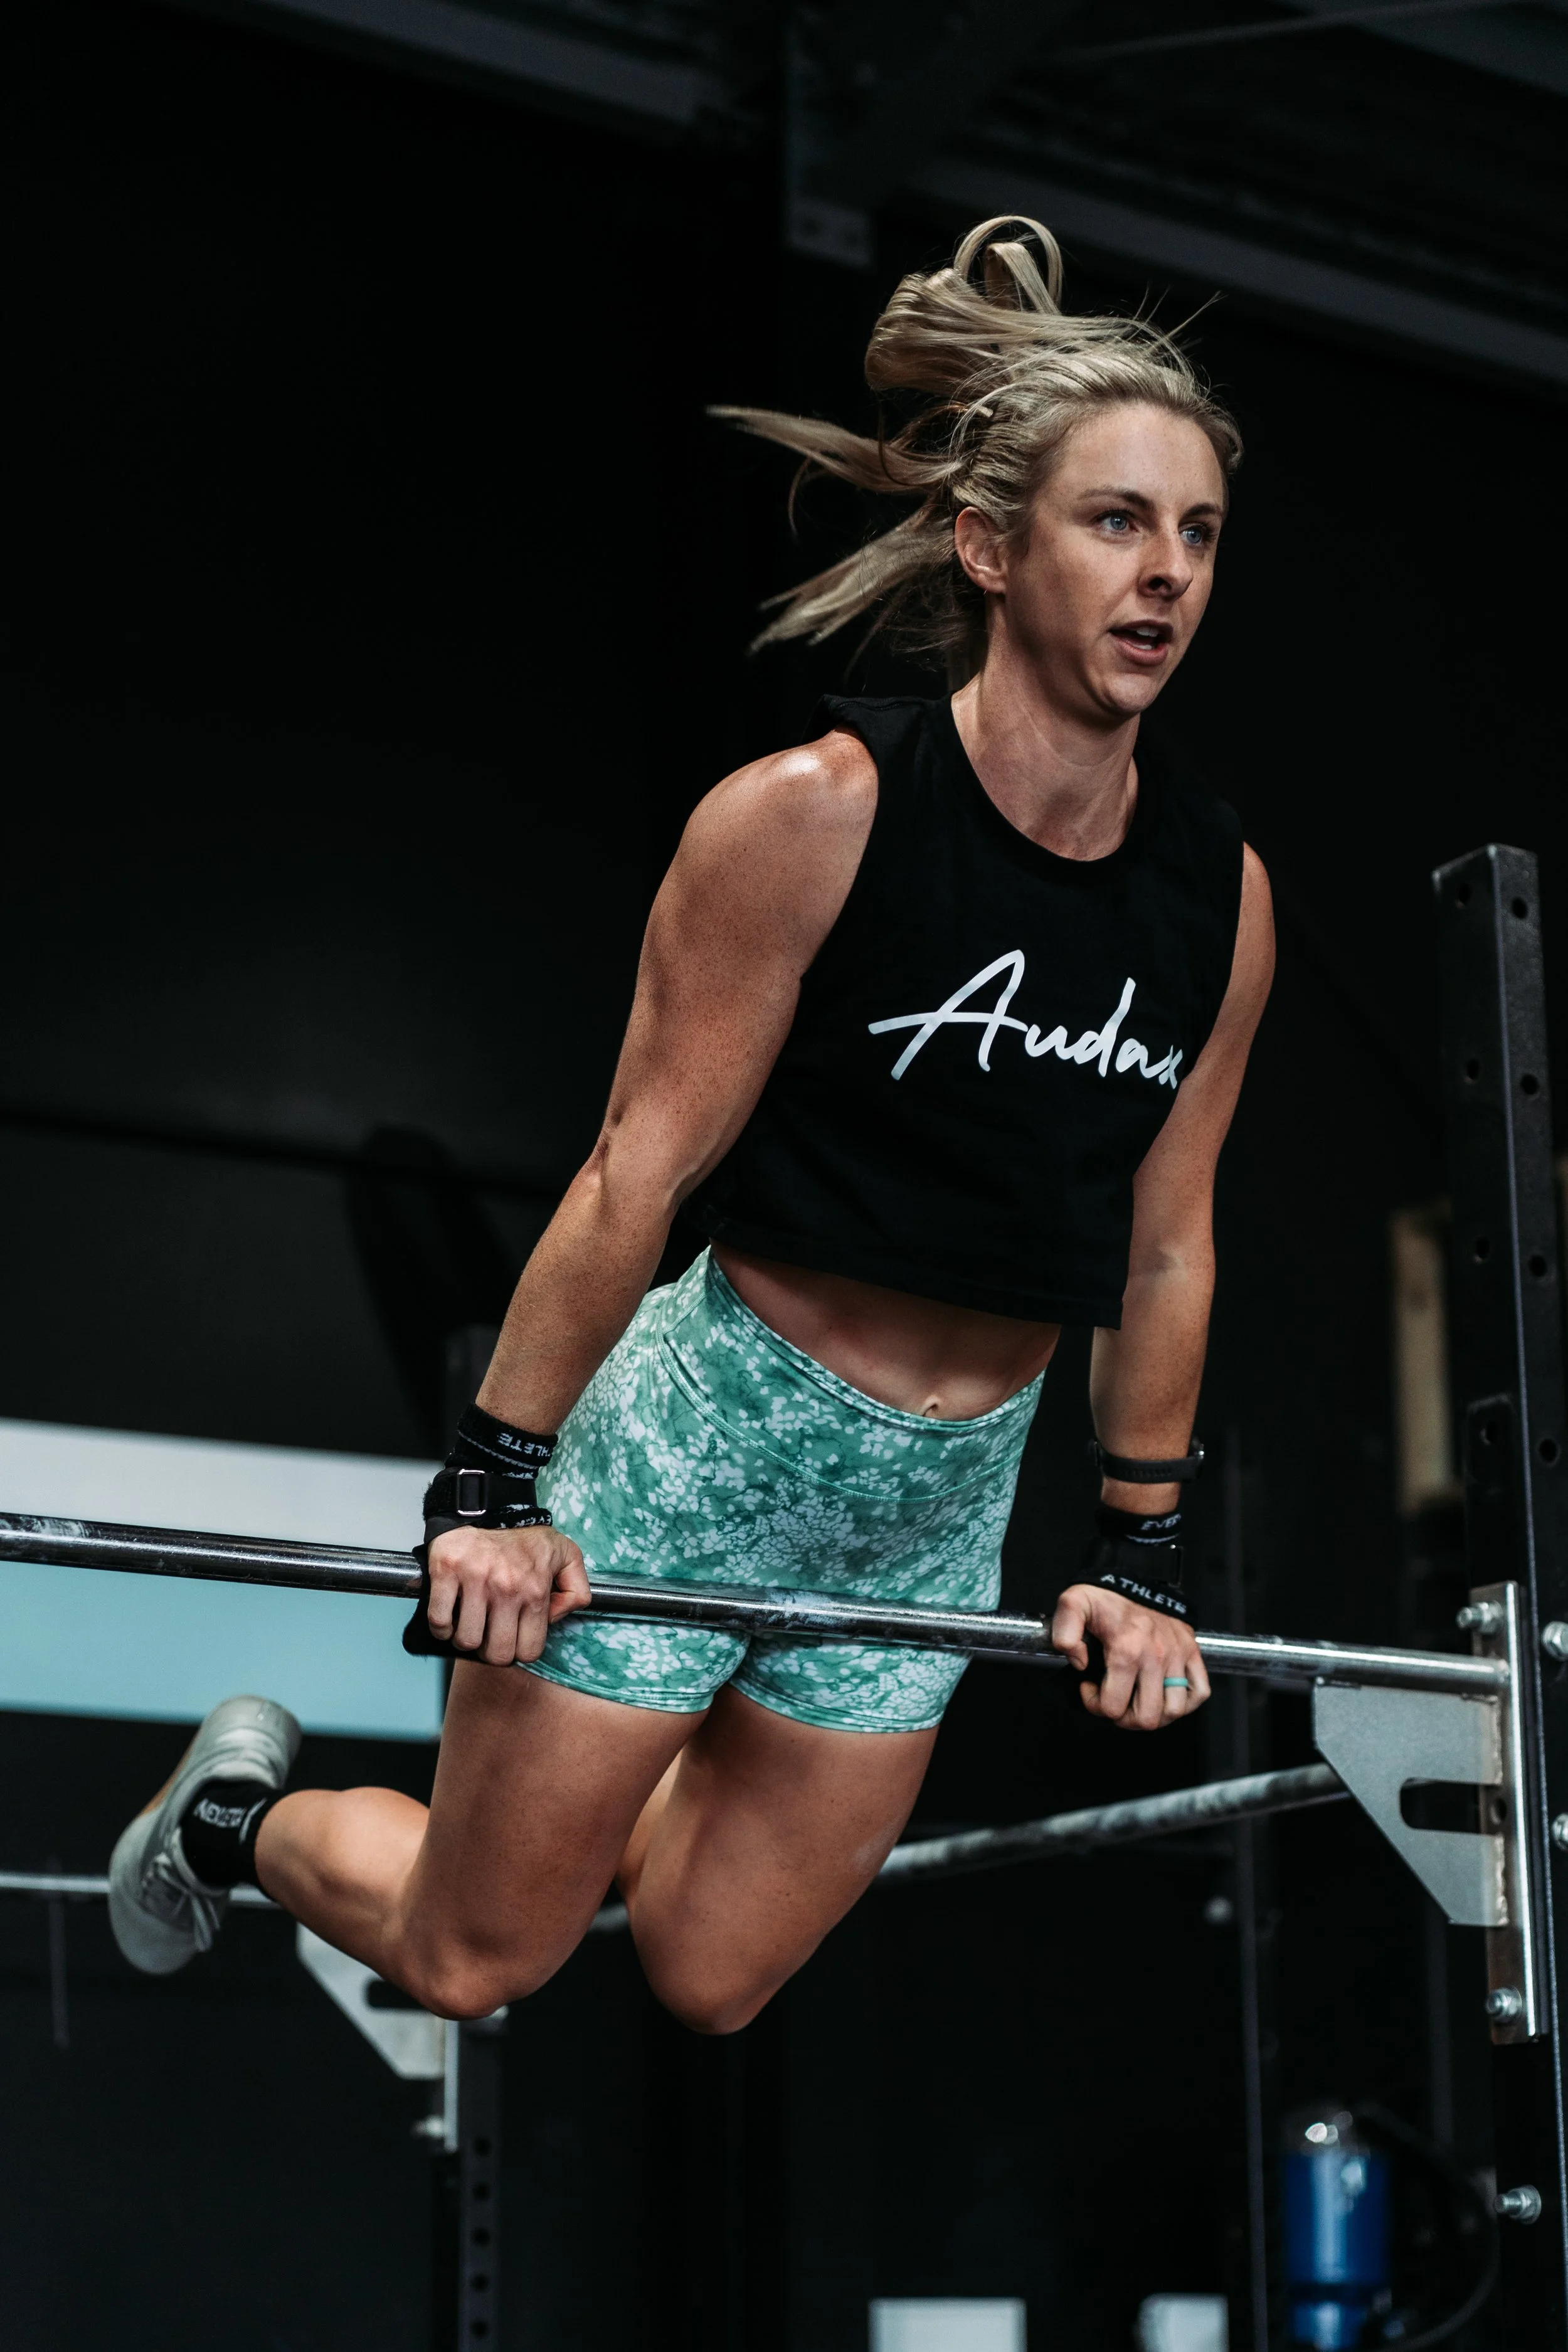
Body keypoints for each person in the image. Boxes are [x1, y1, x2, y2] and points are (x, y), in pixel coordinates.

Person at [109, 217, 1274, 2033]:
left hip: (937, 1510)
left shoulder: (1220, 894)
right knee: (471, 1956)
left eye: (1196, 532)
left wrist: (1133, 1553)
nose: (1165, 574)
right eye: (1115, 521)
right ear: (987, 544)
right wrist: (494, 1484)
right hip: (698, 1451)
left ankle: (588, 1768)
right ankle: (230, 1813)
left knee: (710, 1972)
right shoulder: (812, 813)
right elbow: (634, 1167)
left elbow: (1169, 1237)